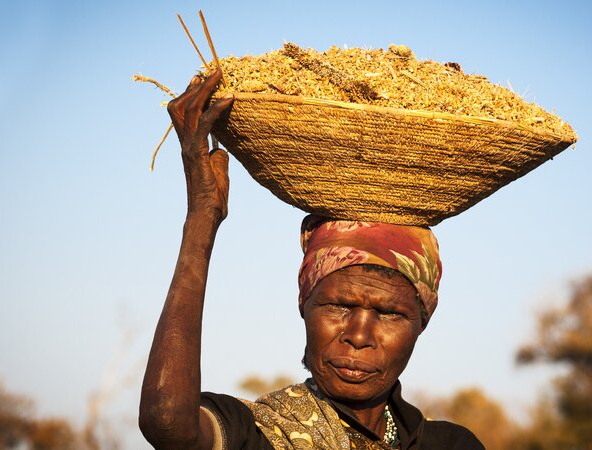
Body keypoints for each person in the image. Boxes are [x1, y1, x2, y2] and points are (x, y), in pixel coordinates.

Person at [139, 69, 485, 449]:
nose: (358, 336)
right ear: (304, 303)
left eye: (389, 314)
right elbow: (168, 422)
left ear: (422, 321)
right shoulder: (257, 432)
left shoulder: (448, 444)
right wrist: (202, 218)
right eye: (338, 305)